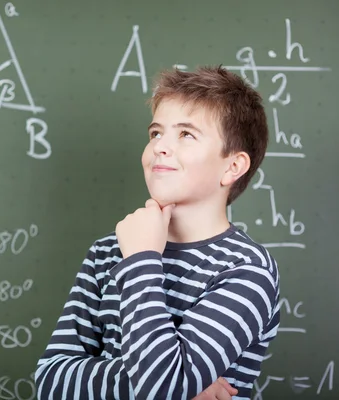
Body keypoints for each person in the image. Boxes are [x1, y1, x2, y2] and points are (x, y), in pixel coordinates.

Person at [34, 65, 281, 399]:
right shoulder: (108, 250)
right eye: (155, 133)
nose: (160, 147)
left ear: (232, 166)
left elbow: (163, 385)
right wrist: (172, 386)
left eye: (186, 134)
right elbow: (50, 380)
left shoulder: (246, 270)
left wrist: (140, 261)